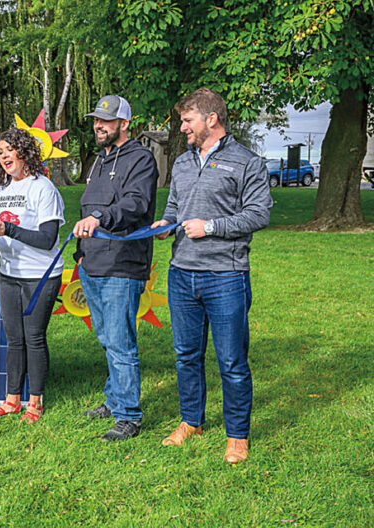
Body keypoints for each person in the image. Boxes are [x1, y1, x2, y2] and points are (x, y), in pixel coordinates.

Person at [151, 88, 272, 463]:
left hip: (225, 276)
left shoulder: (248, 162)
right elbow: (175, 206)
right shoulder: (183, 162)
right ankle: (192, 421)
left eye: (188, 120)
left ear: (211, 119)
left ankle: (237, 436)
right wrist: (166, 223)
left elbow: (259, 214)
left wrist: (213, 226)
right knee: (187, 356)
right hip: (181, 274)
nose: (182, 127)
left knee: (232, 361)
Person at [73, 95, 159, 442]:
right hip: (92, 262)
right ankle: (115, 399)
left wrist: (101, 217)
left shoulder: (141, 159)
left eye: (106, 121)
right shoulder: (98, 160)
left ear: (124, 123)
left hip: (122, 264)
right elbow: (87, 209)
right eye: (96, 120)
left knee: (121, 341)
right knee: (107, 337)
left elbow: (135, 205)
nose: (99, 125)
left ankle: (128, 416)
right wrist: (80, 254)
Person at [0, 128, 64, 423]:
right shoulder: (0, 192)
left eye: (9, 149)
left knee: (34, 337)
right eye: (0, 152)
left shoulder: (43, 188)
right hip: (10, 275)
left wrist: (9, 229)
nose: (4, 156)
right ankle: (12, 400)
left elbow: (48, 239)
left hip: (40, 276)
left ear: (24, 152)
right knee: (14, 339)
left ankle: (35, 402)